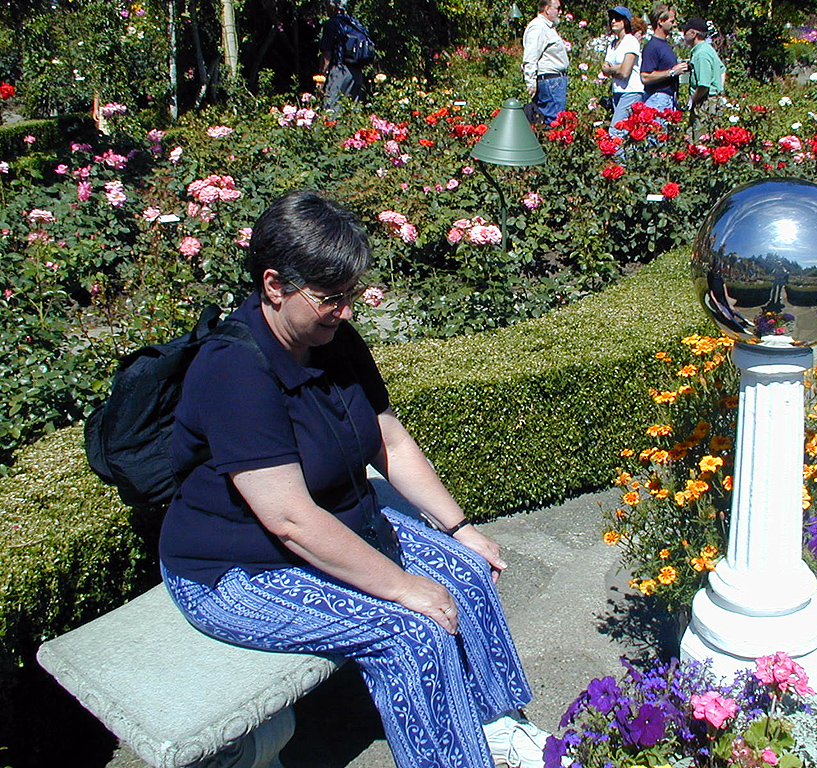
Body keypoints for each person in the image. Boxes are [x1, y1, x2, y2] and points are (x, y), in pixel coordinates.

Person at [159, 190, 550, 768]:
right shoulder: (234, 371)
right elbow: (289, 520)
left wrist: (459, 526)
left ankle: (491, 723)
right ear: (273, 286)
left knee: (466, 573)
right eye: (329, 298)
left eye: (349, 296)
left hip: (340, 521)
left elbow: (389, 440)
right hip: (236, 567)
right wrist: (400, 585)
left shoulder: (332, 339)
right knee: (410, 632)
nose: (345, 313)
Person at [522, 0, 570, 126]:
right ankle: (549, 145)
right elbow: (530, 57)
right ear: (547, 9)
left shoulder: (547, 27)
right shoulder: (538, 27)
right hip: (550, 82)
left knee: (555, 122)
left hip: (554, 82)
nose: (560, 12)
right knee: (553, 123)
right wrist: (530, 82)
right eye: (558, 8)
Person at [319, 0, 375, 107]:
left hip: (340, 71)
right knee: (352, 108)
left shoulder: (332, 24)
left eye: (327, 5)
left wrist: (322, 75)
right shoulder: (354, 23)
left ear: (333, 7)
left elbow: (327, 53)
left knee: (332, 106)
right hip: (356, 72)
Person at [600, 5, 644, 140]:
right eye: (612, 18)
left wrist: (612, 69)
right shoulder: (612, 45)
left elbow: (625, 72)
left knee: (616, 132)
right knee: (625, 132)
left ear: (625, 21)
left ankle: (618, 161)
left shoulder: (630, 41)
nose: (613, 21)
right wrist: (615, 69)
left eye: (617, 18)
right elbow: (604, 69)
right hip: (617, 92)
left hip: (631, 92)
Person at [682, 17, 726, 140]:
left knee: (701, 141)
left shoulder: (701, 54)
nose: (683, 35)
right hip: (712, 101)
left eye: (685, 31)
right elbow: (722, 70)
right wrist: (719, 90)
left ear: (693, 33)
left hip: (705, 104)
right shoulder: (707, 50)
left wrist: (692, 101)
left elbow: (704, 86)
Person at [640, 4, 687, 112]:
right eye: (671, 21)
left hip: (668, 99)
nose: (674, 24)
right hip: (657, 100)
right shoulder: (652, 47)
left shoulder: (665, 45)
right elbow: (645, 77)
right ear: (660, 21)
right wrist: (672, 72)